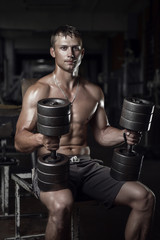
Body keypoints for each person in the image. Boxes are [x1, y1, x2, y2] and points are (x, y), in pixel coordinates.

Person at [14, 25, 155, 240]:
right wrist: (40, 138)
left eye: (75, 48)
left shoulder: (93, 91)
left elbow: (102, 133)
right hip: (52, 168)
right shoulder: (39, 90)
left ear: (82, 52)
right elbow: (19, 140)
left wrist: (123, 135)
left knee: (145, 198)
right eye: (63, 48)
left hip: (87, 166)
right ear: (53, 52)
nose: (70, 54)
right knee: (62, 206)